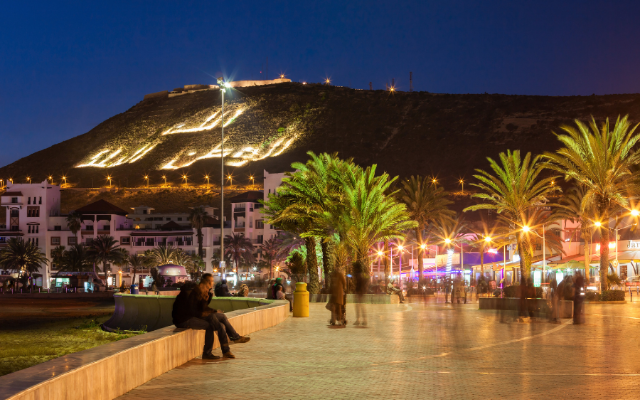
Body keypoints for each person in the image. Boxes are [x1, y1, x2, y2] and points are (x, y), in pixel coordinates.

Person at [172, 274, 250, 359]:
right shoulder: (192, 293)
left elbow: (202, 308)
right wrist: (207, 313)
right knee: (213, 324)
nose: (208, 289)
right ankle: (212, 352)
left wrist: (207, 301)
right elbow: (193, 311)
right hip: (184, 319)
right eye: (207, 286)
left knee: (221, 316)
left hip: (193, 315)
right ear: (202, 284)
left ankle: (234, 339)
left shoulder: (200, 292)